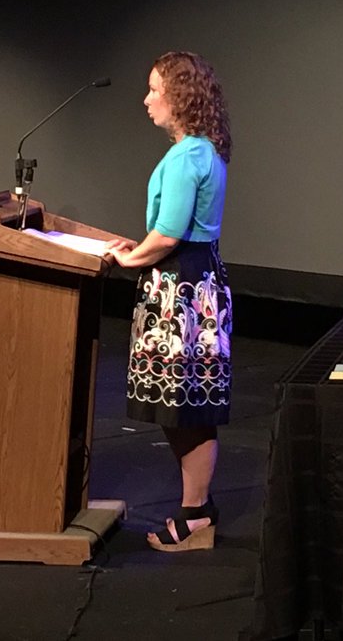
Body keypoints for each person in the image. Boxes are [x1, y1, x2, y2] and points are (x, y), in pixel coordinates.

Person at [105, 51, 233, 552]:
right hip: (198, 284)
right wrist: (134, 251)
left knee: (186, 407)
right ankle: (197, 509)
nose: (147, 100)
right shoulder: (204, 150)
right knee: (185, 406)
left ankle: (197, 514)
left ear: (179, 98)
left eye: (154, 90)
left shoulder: (187, 157)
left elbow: (167, 235)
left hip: (182, 294)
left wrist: (128, 259)